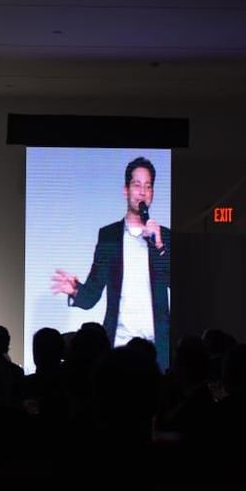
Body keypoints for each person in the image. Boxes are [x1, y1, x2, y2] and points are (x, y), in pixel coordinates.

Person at [51, 156, 171, 370]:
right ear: (126, 190)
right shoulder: (109, 236)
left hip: (157, 349)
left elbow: (178, 285)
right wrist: (75, 290)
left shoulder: (164, 237)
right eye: (137, 185)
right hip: (118, 344)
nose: (142, 192)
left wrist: (160, 245)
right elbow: (93, 294)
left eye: (148, 186)